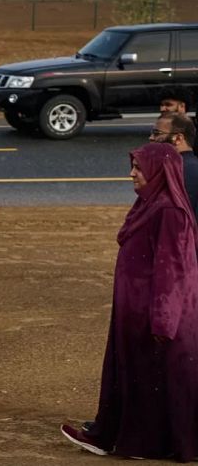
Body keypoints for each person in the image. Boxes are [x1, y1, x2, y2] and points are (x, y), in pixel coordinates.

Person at [62, 142, 198, 460]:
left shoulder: (169, 212)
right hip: (136, 311)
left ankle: (140, 444)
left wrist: (163, 321)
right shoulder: (149, 204)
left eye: (138, 168)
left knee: (150, 381)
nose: (131, 174)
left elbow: (172, 270)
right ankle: (115, 436)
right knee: (133, 377)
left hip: (154, 316)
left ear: (158, 172)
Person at [151, 111, 198, 224]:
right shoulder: (192, 166)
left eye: (157, 133)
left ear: (178, 138)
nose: (151, 137)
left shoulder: (176, 171)